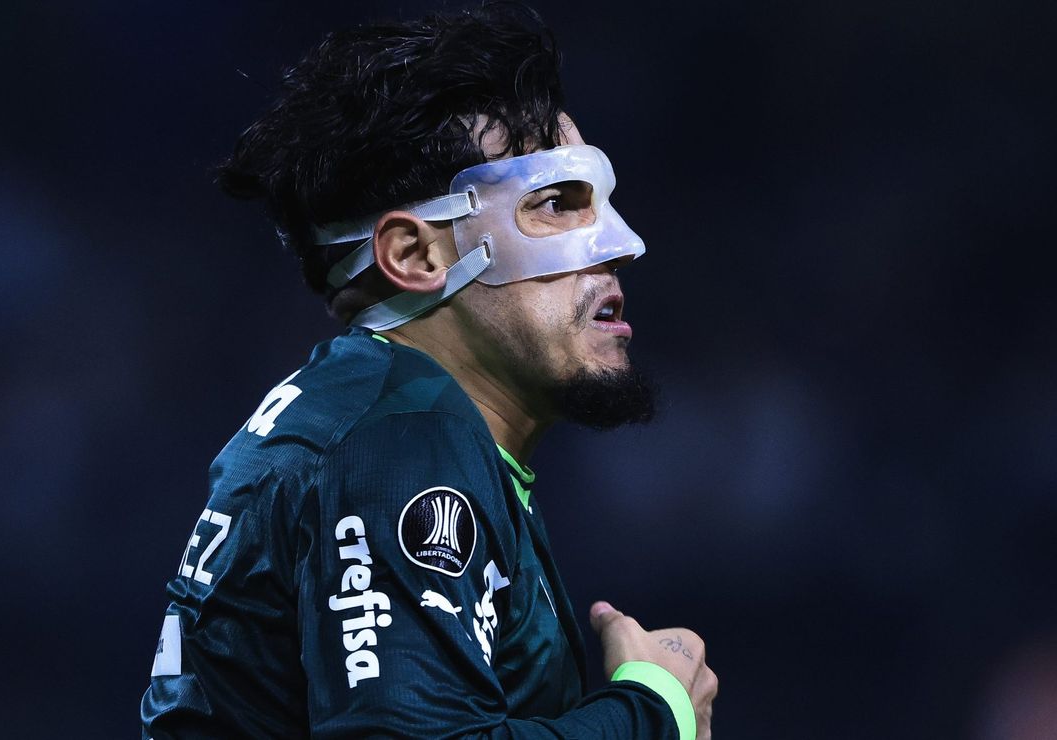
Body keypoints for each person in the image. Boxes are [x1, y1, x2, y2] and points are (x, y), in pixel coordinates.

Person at [139, 4, 717, 738]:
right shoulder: (400, 440)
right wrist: (655, 710)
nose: (619, 245)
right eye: (554, 204)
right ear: (415, 256)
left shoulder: (376, 415)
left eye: (598, 202)